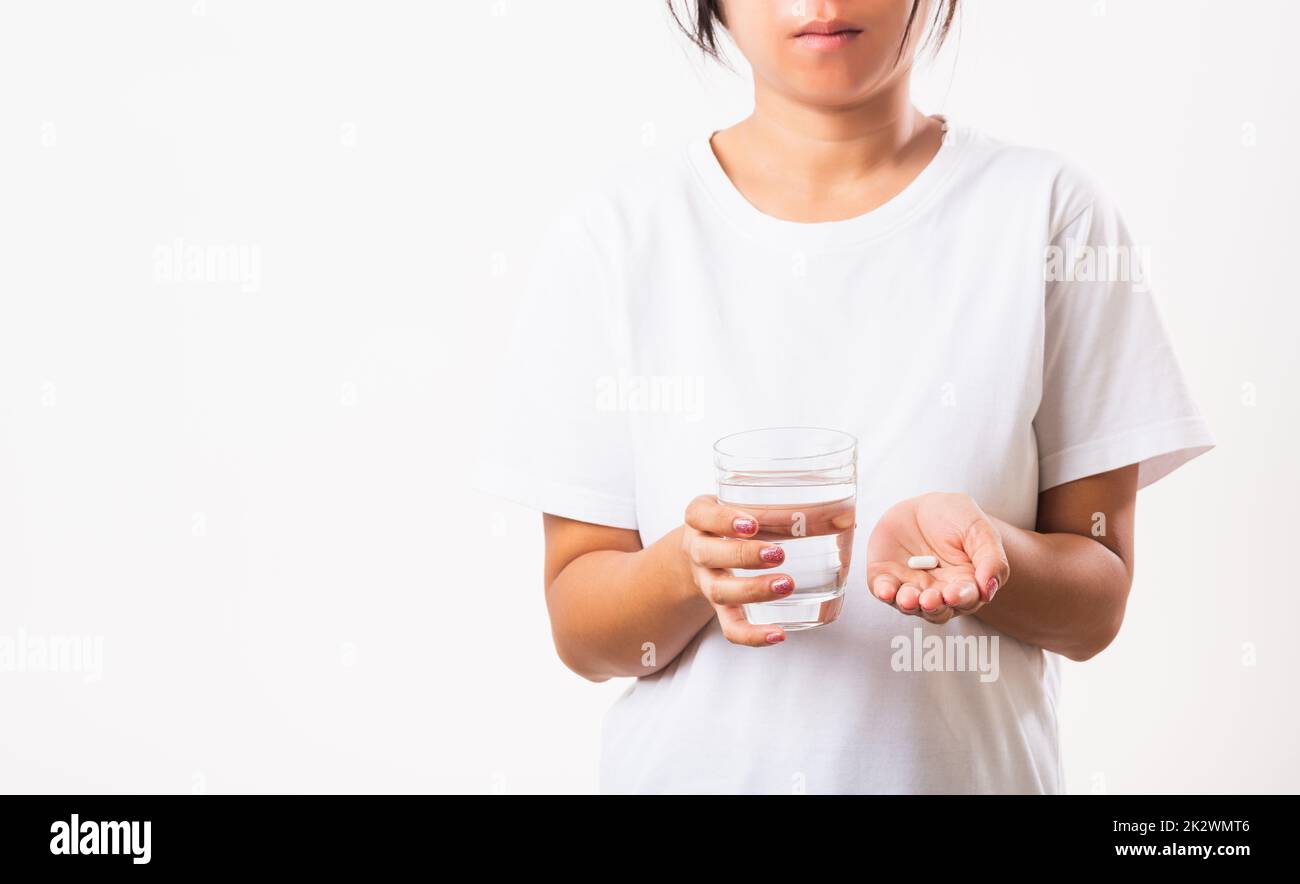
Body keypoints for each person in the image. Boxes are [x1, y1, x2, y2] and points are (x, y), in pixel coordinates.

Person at [476, 0, 1214, 793]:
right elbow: (584, 634)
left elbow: (1095, 604)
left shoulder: (1048, 214)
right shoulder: (617, 239)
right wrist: (691, 570)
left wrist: (993, 558)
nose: (821, 3)